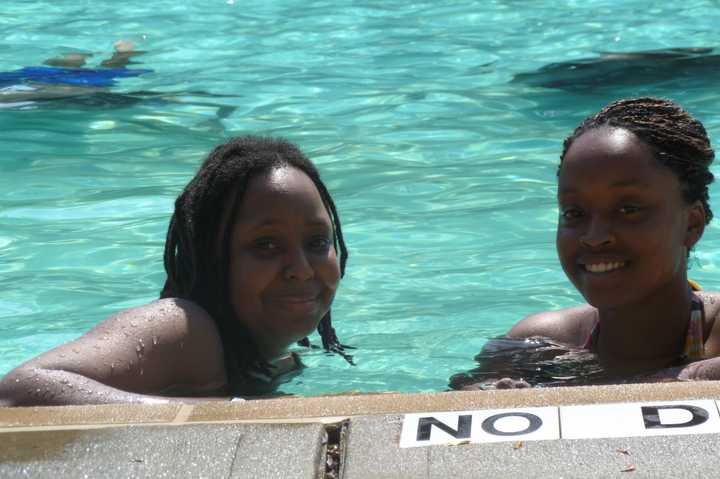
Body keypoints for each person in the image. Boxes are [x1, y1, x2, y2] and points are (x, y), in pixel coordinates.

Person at [0, 136, 352, 406]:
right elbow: (22, 387)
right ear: (212, 257)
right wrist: (207, 414)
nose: (302, 269)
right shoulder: (185, 327)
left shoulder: (275, 358)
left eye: (317, 242)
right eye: (266, 245)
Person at [454, 97, 720, 389]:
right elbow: (447, 408)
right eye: (574, 213)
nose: (594, 237)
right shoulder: (535, 347)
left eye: (628, 209)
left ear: (692, 223)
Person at [0, 40, 152, 105]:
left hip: (34, 84)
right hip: (24, 82)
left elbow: (33, 94)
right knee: (63, 70)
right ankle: (122, 55)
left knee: (100, 75)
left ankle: (122, 56)